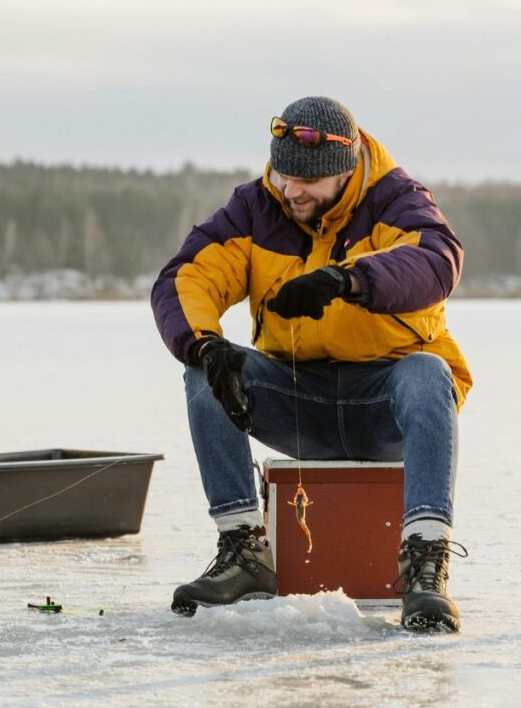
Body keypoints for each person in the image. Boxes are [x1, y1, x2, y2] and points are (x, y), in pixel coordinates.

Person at [151, 96, 471, 632]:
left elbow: (437, 262)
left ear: (346, 171)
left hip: (384, 405)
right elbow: (187, 276)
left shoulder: (397, 200)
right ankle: (244, 553)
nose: (290, 190)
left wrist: (349, 280)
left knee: (427, 372)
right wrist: (205, 343)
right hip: (300, 400)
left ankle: (424, 566)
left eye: (306, 180)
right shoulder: (256, 207)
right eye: (282, 174)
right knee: (207, 370)